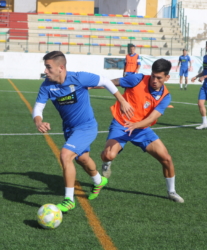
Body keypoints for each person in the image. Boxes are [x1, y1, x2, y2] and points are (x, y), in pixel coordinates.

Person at [33, 51, 133, 212]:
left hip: (86, 127)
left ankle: (68, 200)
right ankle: (99, 180)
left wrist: (121, 101)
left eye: (48, 67)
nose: (45, 71)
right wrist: (38, 121)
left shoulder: (79, 78)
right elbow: (38, 107)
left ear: (61, 67)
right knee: (82, 159)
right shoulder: (47, 86)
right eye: (45, 67)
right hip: (69, 129)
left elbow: (106, 81)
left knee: (65, 155)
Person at [100, 58, 184, 203]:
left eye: (159, 77)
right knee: (108, 155)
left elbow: (152, 118)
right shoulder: (137, 79)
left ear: (167, 77)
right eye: (153, 76)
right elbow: (113, 83)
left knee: (167, 159)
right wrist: (90, 86)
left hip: (142, 129)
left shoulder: (165, 96)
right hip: (121, 124)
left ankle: (171, 192)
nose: (154, 80)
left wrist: (136, 125)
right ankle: (106, 164)